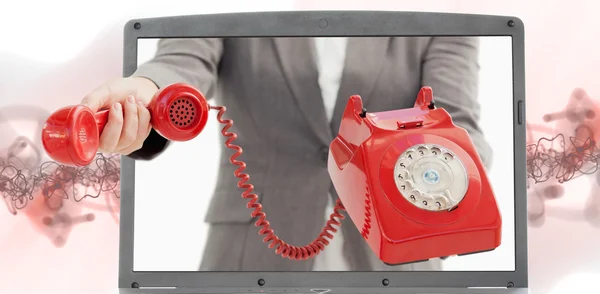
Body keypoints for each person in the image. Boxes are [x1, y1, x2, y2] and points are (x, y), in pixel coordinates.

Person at [81, 36, 492, 272]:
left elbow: (459, 126)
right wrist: (149, 92)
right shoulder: (232, 11)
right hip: (251, 254)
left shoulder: (439, 20)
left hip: (399, 253)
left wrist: (450, 184)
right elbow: (180, 60)